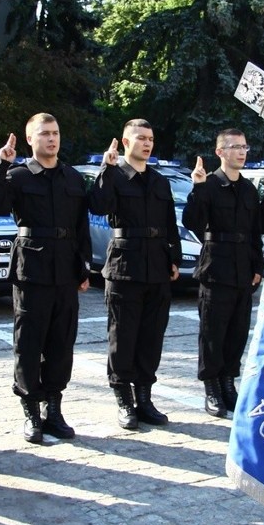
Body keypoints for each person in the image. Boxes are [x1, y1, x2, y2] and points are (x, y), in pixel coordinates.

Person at [0, 113, 91, 444]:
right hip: (31, 268)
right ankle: (31, 408)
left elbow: (81, 225)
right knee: (30, 342)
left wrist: (83, 266)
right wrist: (1, 166)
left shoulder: (72, 177)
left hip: (65, 269)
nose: (51, 139)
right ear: (31, 139)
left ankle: (54, 409)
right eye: (44, 134)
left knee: (61, 343)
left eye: (55, 133)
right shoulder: (17, 175)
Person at [88, 120, 182, 430]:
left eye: (151, 139)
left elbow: (169, 223)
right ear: (126, 142)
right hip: (124, 265)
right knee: (123, 335)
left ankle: (144, 398)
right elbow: (98, 206)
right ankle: (124, 399)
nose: (147, 143)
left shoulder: (159, 181)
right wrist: (105, 168)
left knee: (151, 336)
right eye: (140, 138)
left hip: (156, 263)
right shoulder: (114, 176)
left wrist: (174, 258)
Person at [183, 130, 264, 417]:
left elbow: (260, 228)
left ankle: (228, 383)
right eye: (235, 147)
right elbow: (192, 221)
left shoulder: (249, 189)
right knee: (213, 334)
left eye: (244, 146)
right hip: (216, 269)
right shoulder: (210, 185)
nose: (241, 151)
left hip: (242, 271)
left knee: (237, 333)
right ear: (220, 152)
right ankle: (211, 386)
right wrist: (197, 188)